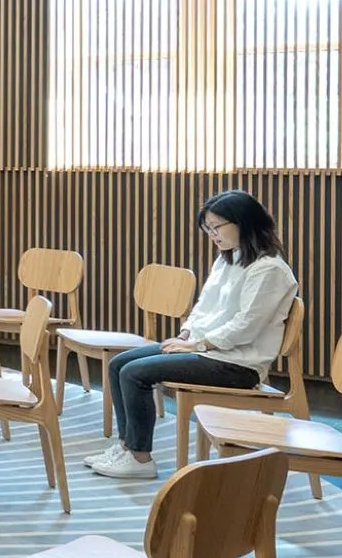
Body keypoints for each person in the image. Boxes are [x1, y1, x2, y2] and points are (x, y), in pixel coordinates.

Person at [86, 189, 302, 480]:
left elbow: (246, 326)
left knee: (134, 374)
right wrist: (188, 333)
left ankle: (140, 459)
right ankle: (127, 446)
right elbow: (206, 305)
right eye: (208, 228)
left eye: (217, 227)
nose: (212, 235)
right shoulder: (229, 259)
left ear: (244, 222)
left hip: (238, 364)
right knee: (118, 364)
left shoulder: (270, 270)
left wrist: (196, 344)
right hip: (208, 350)